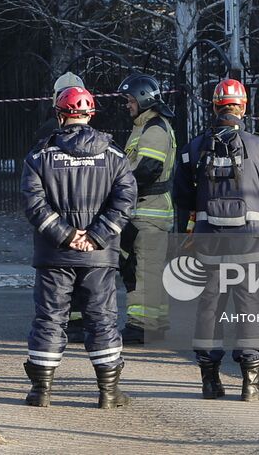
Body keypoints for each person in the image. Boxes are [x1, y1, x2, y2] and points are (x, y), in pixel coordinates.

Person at [21, 86, 138, 409]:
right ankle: (108, 393)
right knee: (102, 319)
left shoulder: (39, 157)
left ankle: (41, 392)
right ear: (89, 115)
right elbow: (125, 202)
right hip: (99, 256)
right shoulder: (115, 156)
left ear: (60, 115)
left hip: (54, 254)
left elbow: (34, 205)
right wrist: (96, 236)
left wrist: (66, 235)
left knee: (50, 319)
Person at [174, 78, 259, 401]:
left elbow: (181, 197)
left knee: (209, 307)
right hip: (251, 242)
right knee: (250, 306)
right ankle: (252, 383)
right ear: (244, 107)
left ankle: (210, 381)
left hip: (209, 241)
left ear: (214, 106)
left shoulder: (193, 147)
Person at [117, 73, 177, 344]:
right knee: (148, 267)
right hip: (146, 209)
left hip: (148, 210)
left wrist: (120, 191)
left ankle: (141, 325)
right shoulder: (145, 126)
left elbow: (147, 170)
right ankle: (157, 321)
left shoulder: (154, 128)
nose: (127, 105)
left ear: (142, 99)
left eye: (130, 100)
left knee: (145, 269)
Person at [33, 71, 92, 344]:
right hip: (91, 217)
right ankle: (82, 323)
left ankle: (63, 325)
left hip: (57, 221)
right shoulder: (97, 138)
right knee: (87, 277)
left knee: (56, 285)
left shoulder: (47, 132)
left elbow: (35, 186)